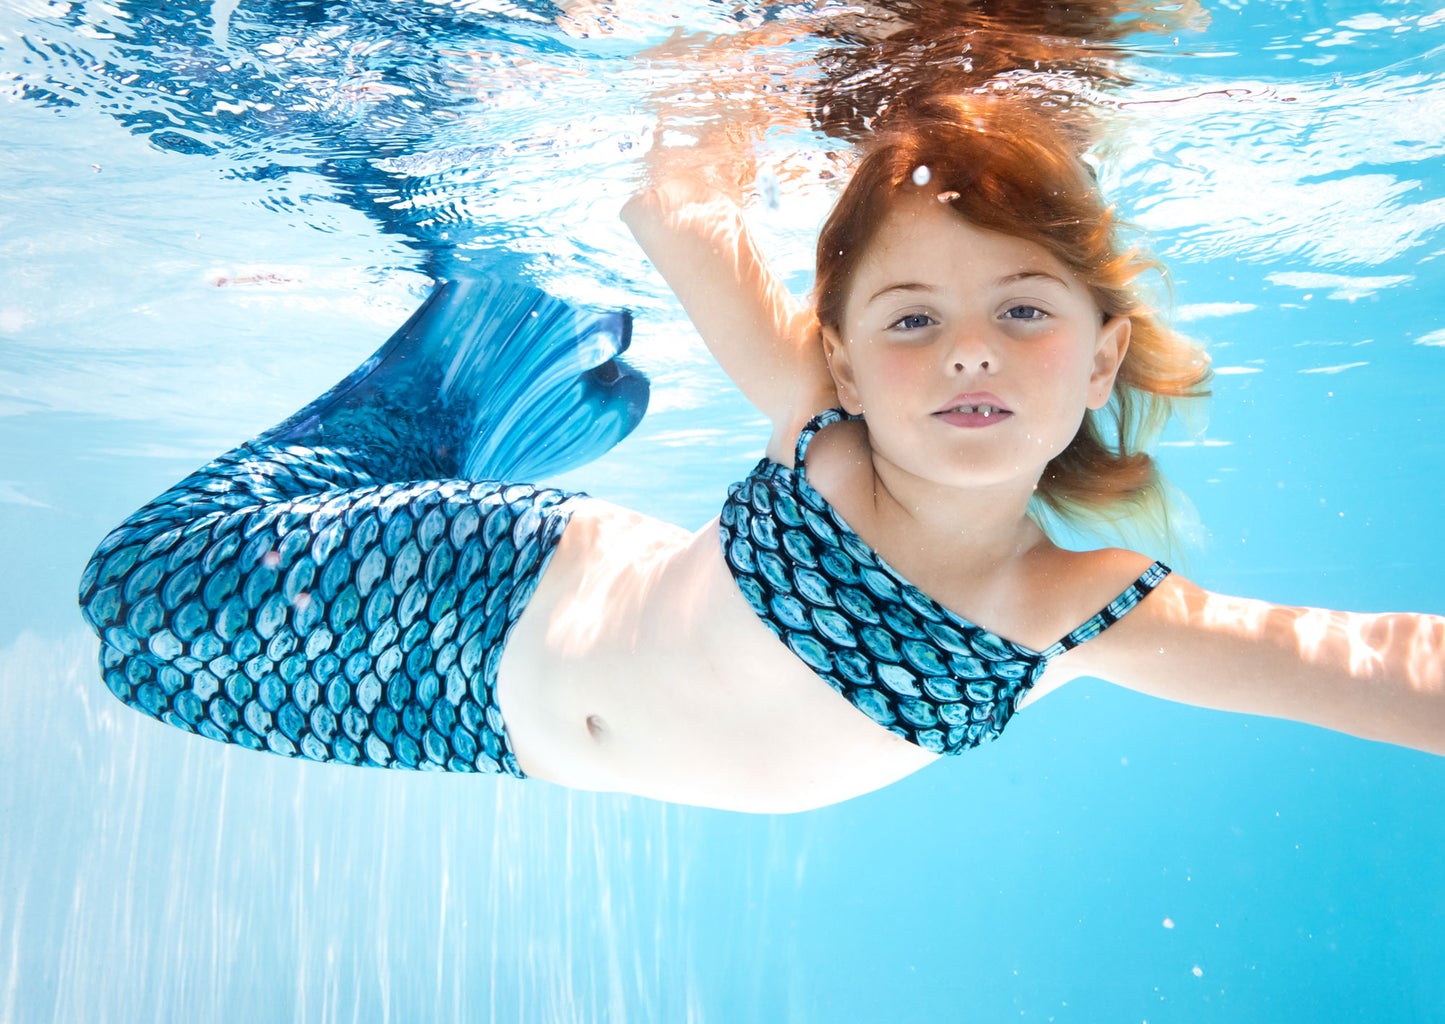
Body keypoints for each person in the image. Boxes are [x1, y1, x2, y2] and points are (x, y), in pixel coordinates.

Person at [78, 91, 1445, 811]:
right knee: (138, 591)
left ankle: (469, 396)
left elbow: (1371, 666)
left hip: (490, 732)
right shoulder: (829, 434)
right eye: (914, 318)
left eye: (1020, 311)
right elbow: (673, 206)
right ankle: (446, 392)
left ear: (1097, 357)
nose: (966, 351)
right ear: (845, 354)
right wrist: (723, 37)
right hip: (492, 592)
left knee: (156, 677)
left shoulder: (1065, 605)